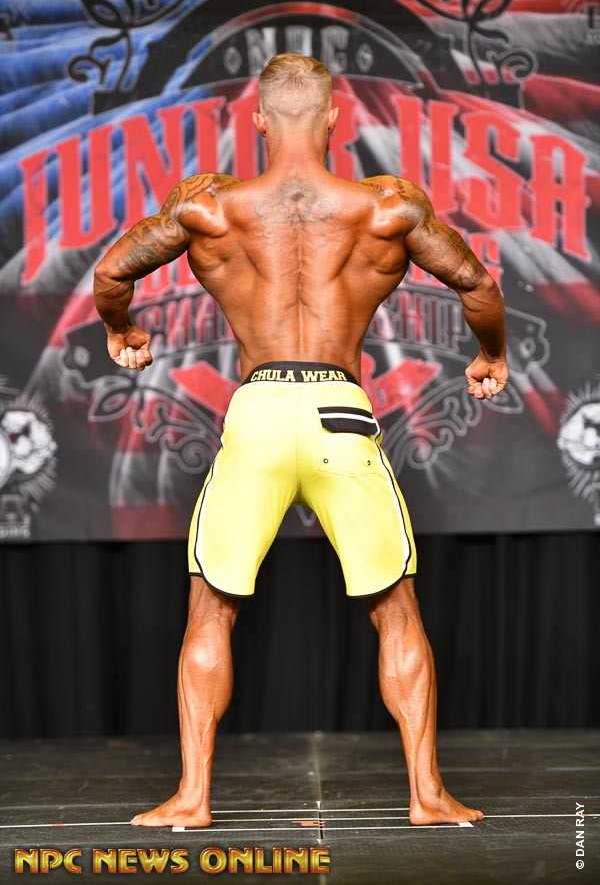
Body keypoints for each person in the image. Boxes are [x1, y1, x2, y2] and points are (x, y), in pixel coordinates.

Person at [94, 53, 508, 828]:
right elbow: (478, 284)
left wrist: (124, 331)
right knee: (395, 608)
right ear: (333, 118)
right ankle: (426, 796)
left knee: (211, 608)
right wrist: (492, 354)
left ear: (256, 118)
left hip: (256, 415)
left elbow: (113, 273)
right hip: (340, 414)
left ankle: (192, 799)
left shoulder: (209, 206)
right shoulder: (386, 206)